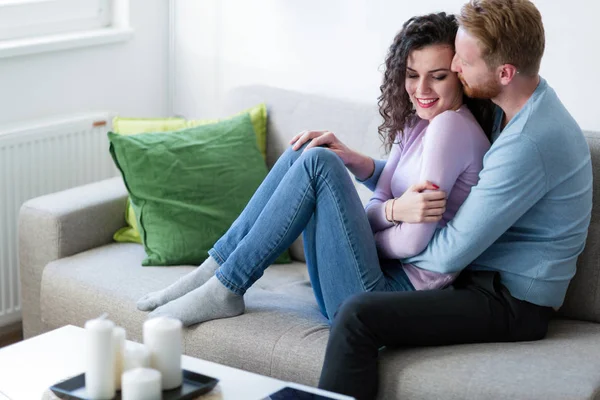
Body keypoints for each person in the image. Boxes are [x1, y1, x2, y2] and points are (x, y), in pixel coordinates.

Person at [135, 12, 494, 326]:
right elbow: (383, 197)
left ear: (459, 76)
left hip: (387, 299)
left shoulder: (451, 127)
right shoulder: (417, 123)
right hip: (356, 286)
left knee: (318, 163)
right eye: (412, 75)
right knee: (309, 149)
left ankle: (227, 286)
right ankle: (215, 270)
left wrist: (369, 224)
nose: (421, 89)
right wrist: (388, 208)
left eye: (438, 76)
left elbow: (412, 241)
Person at [317, 1, 593, 399]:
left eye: (463, 60)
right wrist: (369, 169)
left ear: (504, 72)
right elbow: (432, 185)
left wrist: (361, 237)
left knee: (358, 316)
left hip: (510, 300)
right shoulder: (511, 108)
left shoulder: (530, 141)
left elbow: (448, 254)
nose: (457, 68)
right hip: (482, 280)